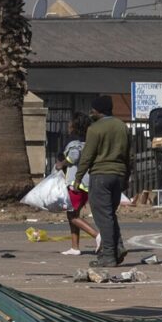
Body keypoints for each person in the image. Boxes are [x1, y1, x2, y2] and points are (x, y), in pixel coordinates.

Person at [75, 96, 132, 268]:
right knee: (109, 214)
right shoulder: (122, 126)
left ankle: (108, 256)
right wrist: (127, 177)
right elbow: (129, 154)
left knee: (103, 216)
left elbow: (87, 156)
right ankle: (117, 248)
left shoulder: (94, 129)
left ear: (98, 110)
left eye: (92, 109)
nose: (90, 112)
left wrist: (78, 178)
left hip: (101, 175)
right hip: (119, 174)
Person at [55, 112, 100, 256]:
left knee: (72, 215)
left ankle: (98, 236)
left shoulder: (74, 141)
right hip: (87, 183)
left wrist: (61, 164)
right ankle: (75, 247)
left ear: (74, 125)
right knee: (74, 214)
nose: (68, 125)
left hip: (76, 183)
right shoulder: (88, 140)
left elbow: (74, 156)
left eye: (70, 123)